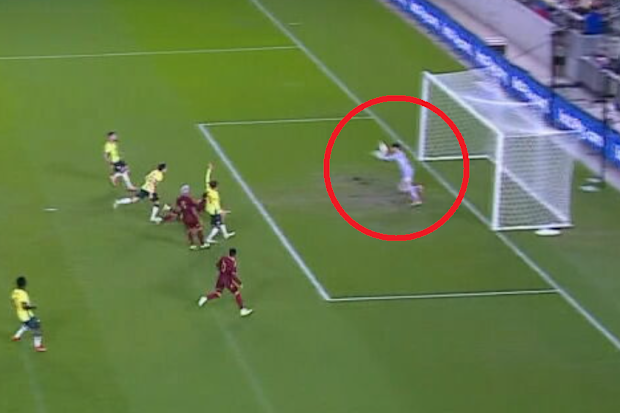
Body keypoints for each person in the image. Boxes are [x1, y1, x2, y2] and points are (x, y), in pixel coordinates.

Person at [197, 248, 253, 317]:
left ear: (229, 253)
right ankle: (242, 310)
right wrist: (239, 283)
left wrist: (222, 272)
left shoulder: (223, 258)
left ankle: (204, 298)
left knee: (218, 293)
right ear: (235, 254)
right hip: (227, 280)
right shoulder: (233, 263)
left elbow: (217, 265)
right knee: (236, 292)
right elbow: (233, 274)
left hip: (220, 277)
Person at [165, 184, 209, 250]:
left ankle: (192, 245)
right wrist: (203, 200)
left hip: (185, 218)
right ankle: (202, 244)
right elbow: (196, 208)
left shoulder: (179, 199)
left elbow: (178, 209)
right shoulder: (190, 199)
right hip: (192, 217)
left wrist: (170, 209)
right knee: (199, 229)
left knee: (189, 230)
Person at [11, 276, 47, 352]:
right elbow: (24, 306)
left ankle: (16, 336)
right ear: (24, 284)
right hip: (26, 315)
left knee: (26, 325)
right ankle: (38, 346)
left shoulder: (15, 292)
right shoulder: (23, 294)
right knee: (37, 327)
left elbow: (14, 302)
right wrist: (32, 306)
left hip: (20, 314)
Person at [204, 163, 235, 243]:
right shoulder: (215, 195)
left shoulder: (208, 189)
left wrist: (209, 169)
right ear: (215, 187)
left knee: (221, 222)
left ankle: (225, 234)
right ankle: (208, 239)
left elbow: (207, 179)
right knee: (217, 227)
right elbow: (216, 206)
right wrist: (223, 211)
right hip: (214, 211)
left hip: (209, 209)